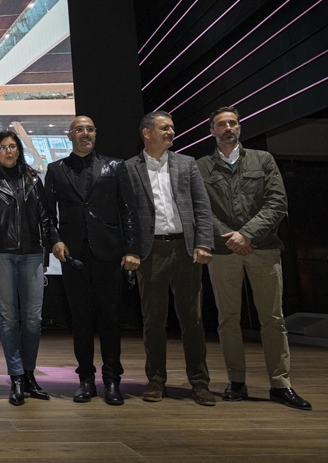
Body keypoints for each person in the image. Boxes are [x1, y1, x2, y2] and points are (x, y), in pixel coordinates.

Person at [197, 106, 310, 410]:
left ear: (240, 128)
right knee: (228, 319)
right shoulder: (201, 166)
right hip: (223, 253)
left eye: (233, 123)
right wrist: (231, 238)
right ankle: (236, 381)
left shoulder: (263, 159)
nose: (228, 128)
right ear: (212, 131)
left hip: (263, 248)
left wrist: (246, 234)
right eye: (221, 124)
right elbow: (201, 210)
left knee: (273, 319)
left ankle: (280, 384)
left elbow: (277, 202)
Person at [44, 116, 140, 406]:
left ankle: (112, 380)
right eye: (79, 130)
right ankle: (85, 379)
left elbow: (129, 211)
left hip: (109, 254)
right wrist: (55, 240)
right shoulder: (55, 169)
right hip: (73, 258)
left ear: (95, 134)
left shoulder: (116, 166)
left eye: (90, 129)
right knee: (81, 320)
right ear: (69, 135)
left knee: (110, 319)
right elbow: (47, 215)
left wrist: (132, 249)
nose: (85, 134)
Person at [125, 111, 216, 406]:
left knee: (193, 319)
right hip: (151, 253)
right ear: (146, 132)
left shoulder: (186, 164)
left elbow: (202, 207)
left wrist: (203, 243)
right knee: (153, 320)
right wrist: (132, 249)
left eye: (173, 128)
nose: (171, 132)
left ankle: (200, 383)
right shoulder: (128, 169)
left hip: (186, 250)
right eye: (164, 128)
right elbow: (125, 215)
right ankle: (156, 380)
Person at [0, 134, 51, 406]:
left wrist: (45, 256)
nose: (8, 151)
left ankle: (29, 375)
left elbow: (45, 218)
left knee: (33, 319)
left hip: (32, 256)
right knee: (9, 320)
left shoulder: (33, 179)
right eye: (3, 147)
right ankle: (16, 376)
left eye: (13, 147)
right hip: (3, 257)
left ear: (19, 151)